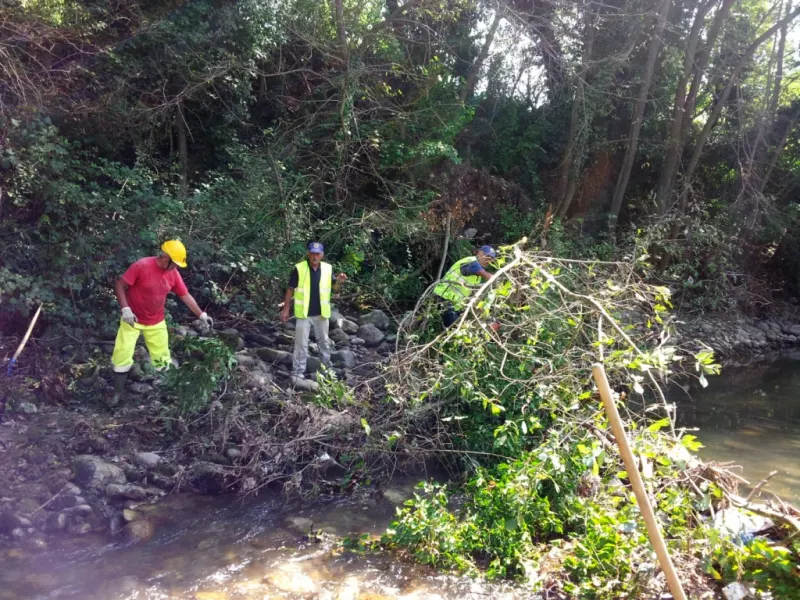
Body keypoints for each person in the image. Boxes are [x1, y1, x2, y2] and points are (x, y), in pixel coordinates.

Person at [109, 240, 213, 406]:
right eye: (174, 264)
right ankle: (117, 395)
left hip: (156, 321)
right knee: (122, 354)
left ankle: (167, 395)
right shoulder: (141, 266)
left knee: (162, 359)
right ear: (165, 257)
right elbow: (120, 285)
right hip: (132, 320)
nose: (175, 268)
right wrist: (125, 309)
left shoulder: (173, 273)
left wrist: (201, 314)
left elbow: (185, 295)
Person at [279, 242, 347, 384]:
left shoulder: (328, 269)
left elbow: (334, 289)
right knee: (301, 344)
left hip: (322, 314)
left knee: (324, 343)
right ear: (308, 254)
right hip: (304, 314)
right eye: (312, 253)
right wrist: (285, 309)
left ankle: (326, 370)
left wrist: (340, 282)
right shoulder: (300, 268)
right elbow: (290, 289)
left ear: (322, 255)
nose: (315, 256)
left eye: (317, 253)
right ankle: (298, 373)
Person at [433, 245, 497, 328]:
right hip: (444, 296)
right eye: (487, 256)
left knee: (459, 328)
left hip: (454, 303)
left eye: (491, 259)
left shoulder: (477, 274)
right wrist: (500, 278)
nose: (489, 260)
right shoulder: (472, 262)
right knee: (454, 327)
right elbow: (489, 277)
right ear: (479, 253)